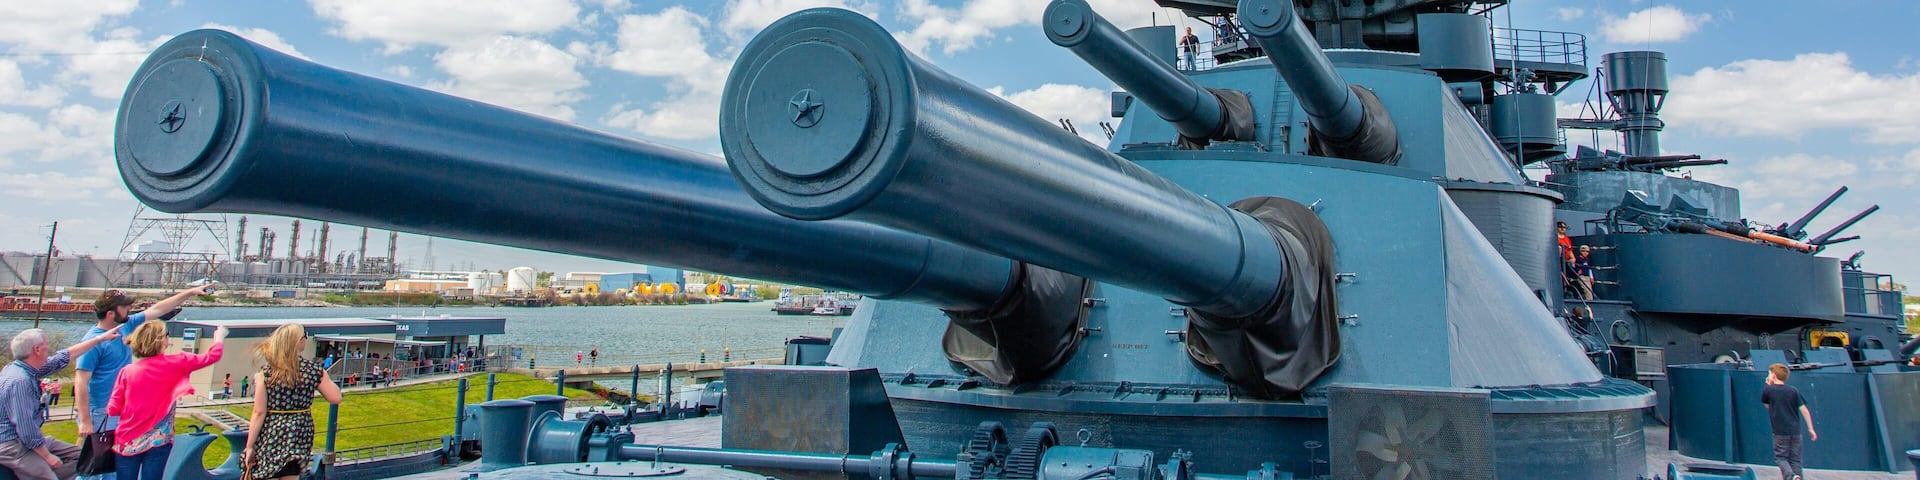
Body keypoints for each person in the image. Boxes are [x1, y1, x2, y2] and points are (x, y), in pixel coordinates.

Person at [75, 285, 211, 480]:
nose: (129, 309)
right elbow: (81, 381)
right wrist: (85, 421)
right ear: (110, 313)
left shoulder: (124, 326)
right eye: (125, 307)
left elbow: (157, 310)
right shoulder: (92, 343)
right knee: (94, 468)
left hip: (120, 412)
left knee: (112, 469)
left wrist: (190, 292)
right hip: (100, 413)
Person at [107, 323, 227, 480]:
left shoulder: (127, 372)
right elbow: (212, 356)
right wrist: (219, 337)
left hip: (128, 438)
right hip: (160, 438)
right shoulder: (179, 362)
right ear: (162, 341)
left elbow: (113, 410)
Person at [0, 328, 122, 480]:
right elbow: (26, 428)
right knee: (47, 476)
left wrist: (99, 339)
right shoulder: (20, 381)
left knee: (84, 458)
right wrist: (47, 456)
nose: (49, 348)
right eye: (46, 344)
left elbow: (63, 357)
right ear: (37, 349)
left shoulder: (24, 368)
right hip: (13, 445)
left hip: (27, 440)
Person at [243, 324, 343, 480]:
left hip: (271, 433)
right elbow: (335, 397)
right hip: (299, 433)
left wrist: (250, 446)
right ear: (297, 342)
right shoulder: (313, 370)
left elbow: (259, 412)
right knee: (290, 474)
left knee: (266, 473)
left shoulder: (267, 372)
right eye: (304, 336)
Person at [1761, 363, 1816, 480]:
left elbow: (1767, 406)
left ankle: (1791, 477)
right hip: (1795, 431)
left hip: (1780, 431)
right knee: (1795, 459)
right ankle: (1798, 477)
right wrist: (1810, 428)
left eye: (1769, 374)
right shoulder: (1793, 391)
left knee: (1781, 458)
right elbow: (1804, 410)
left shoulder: (1768, 390)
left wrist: (1768, 385)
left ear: (1773, 375)